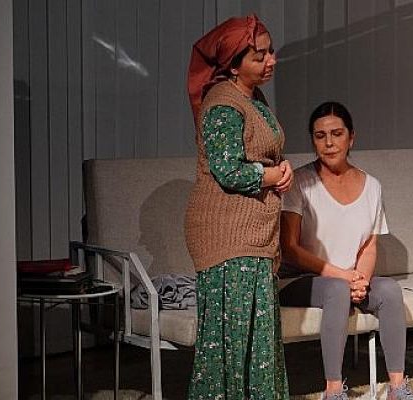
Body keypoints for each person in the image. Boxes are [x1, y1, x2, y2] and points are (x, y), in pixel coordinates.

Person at [279, 102, 413, 400]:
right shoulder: (300, 182)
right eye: (320, 136)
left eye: (337, 134)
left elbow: (368, 245)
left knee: (389, 290)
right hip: (301, 280)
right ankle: (333, 390)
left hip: (347, 279)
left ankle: (397, 387)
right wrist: (343, 277)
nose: (329, 143)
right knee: (336, 290)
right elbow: (289, 249)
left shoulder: (372, 186)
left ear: (351, 137)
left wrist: (361, 281)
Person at [184, 13, 290, 400]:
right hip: (227, 235)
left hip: (254, 232)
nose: (270, 60)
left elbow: (262, 152)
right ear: (233, 65)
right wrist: (271, 175)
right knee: (231, 342)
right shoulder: (223, 105)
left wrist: (281, 169)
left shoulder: (253, 99)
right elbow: (228, 170)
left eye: (270, 51)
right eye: (259, 56)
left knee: (259, 342)